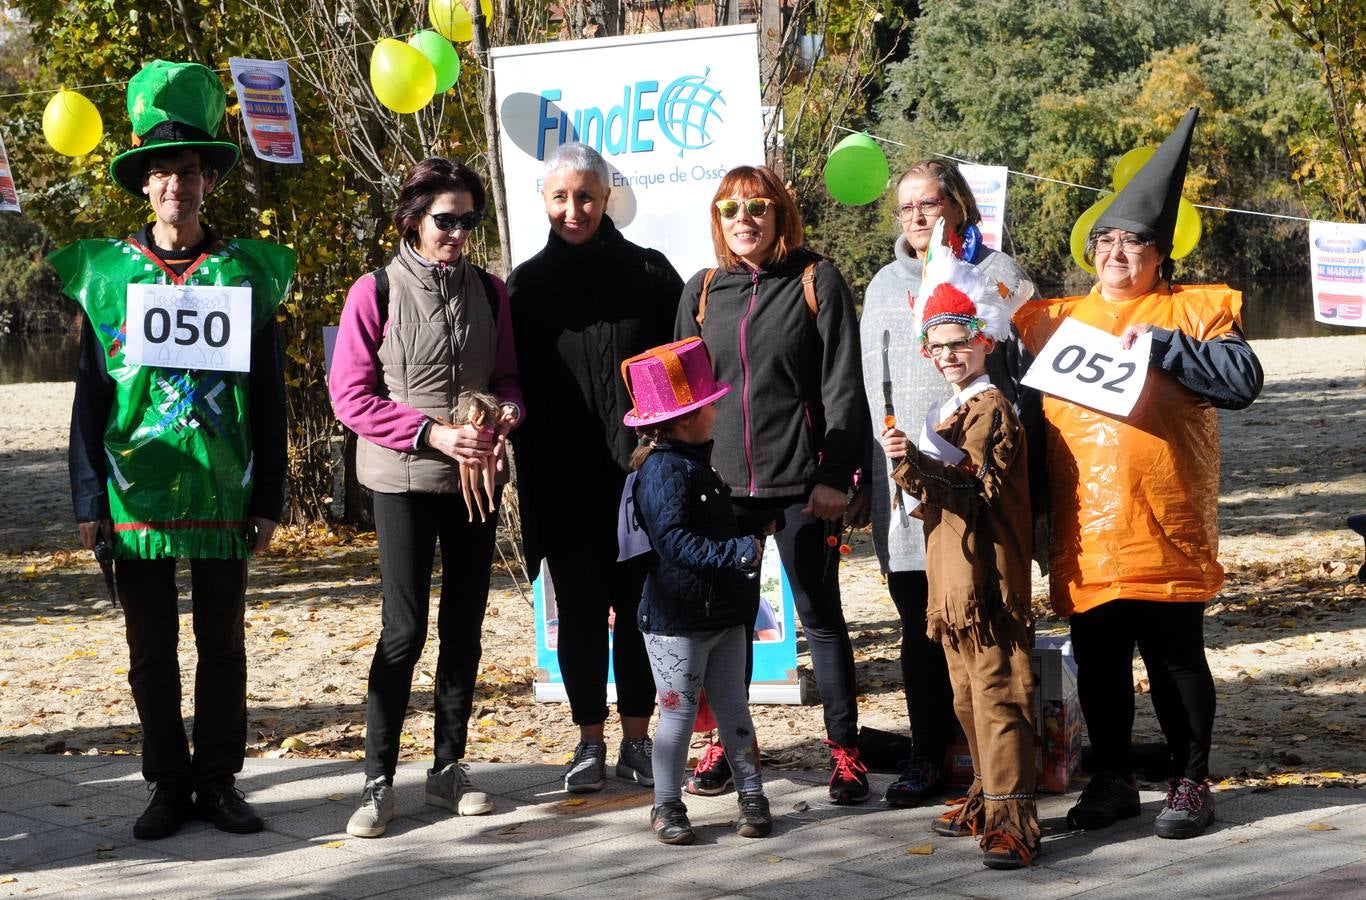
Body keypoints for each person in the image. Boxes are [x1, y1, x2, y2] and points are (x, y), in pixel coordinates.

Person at [52, 60, 294, 839]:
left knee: (222, 645)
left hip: (224, 489)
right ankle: (166, 783)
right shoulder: (110, 277)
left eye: (187, 171)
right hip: (135, 491)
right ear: (144, 184)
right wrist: (87, 496)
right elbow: (91, 394)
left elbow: (269, 396)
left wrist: (269, 496)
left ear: (207, 181)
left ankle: (217, 780)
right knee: (150, 649)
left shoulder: (244, 276)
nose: (174, 186)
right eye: (160, 172)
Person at [1015, 108, 1264, 840]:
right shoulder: (1052, 321)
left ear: (1160, 254)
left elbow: (1242, 382)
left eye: (1133, 241)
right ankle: (1114, 780)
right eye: (1106, 239)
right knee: (1098, 661)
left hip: (1165, 521)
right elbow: (1024, 420)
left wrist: (1163, 345)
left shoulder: (1194, 311)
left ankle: (1191, 779)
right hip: (1086, 528)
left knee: (1175, 658)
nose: (1117, 251)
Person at [330, 157, 521, 837]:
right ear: (413, 219)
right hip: (403, 480)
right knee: (404, 631)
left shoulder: (491, 292)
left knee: (464, 627)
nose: (459, 233)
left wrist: (507, 413)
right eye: (446, 220)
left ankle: (448, 767)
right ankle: (376, 781)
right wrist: (432, 434)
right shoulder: (374, 290)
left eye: (470, 220)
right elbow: (350, 397)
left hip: (476, 482)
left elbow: (508, 377)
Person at [675, 166, 871, 803]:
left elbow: (844, 385)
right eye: (730, 209)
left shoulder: (817, 279)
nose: (744, 219)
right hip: (721, 487)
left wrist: (836, 476)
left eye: (758, 206)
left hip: (802, 485)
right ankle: (726, 746)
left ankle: (845, 753)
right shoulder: (703, 289)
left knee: (820, 616)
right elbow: (681, 396)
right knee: (724, 624)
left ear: (780, 212)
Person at [854, 159, 1035, 808]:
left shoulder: (1001, 274)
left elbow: (1032, 378)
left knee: (983, 628)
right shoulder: (882, 285)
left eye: (928, 203)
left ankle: (1001, 781)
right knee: (920, 624)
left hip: (978, 489)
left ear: (958, 205)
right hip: (903, 487)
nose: (917, 216)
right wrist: (869, 472)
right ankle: (930, 756)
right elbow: (864, 385)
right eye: (905, 207)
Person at [509, 142, 681, 793]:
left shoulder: (650, 273)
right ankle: (587, 742)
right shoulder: (525, 287)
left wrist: (668, 453)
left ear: (607, 196)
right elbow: (510, 383)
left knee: (639, 612)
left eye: (586, 195)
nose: (574, 208)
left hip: (641, 482)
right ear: (544, 201)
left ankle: (637, 742)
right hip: (564, 485)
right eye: (561, 196)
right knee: (579, 615)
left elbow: (683, 372)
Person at [882, 251, 1038, 870]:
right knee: (967, 693)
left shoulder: (991, 407)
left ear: (985, 342)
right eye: (939, 345)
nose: (949, 354)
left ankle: (1013, 819)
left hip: (987, 575)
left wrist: (910, 462)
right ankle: (985, 793)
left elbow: (972, 486)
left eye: (960, 343)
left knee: (998, 692)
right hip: (952, 577)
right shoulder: (950, 410)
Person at [622, 337, 774, 845]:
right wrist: (736, 552)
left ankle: (752, 795)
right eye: (709, 404)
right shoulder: (663, 469)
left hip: (723, 615)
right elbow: (673, 541)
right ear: (686, 418)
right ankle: (666, 805)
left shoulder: (694, 462)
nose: (715, 411)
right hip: (677, 622)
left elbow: (706, 522)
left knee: (734, 710)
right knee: (677, 716)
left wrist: (747, 523)